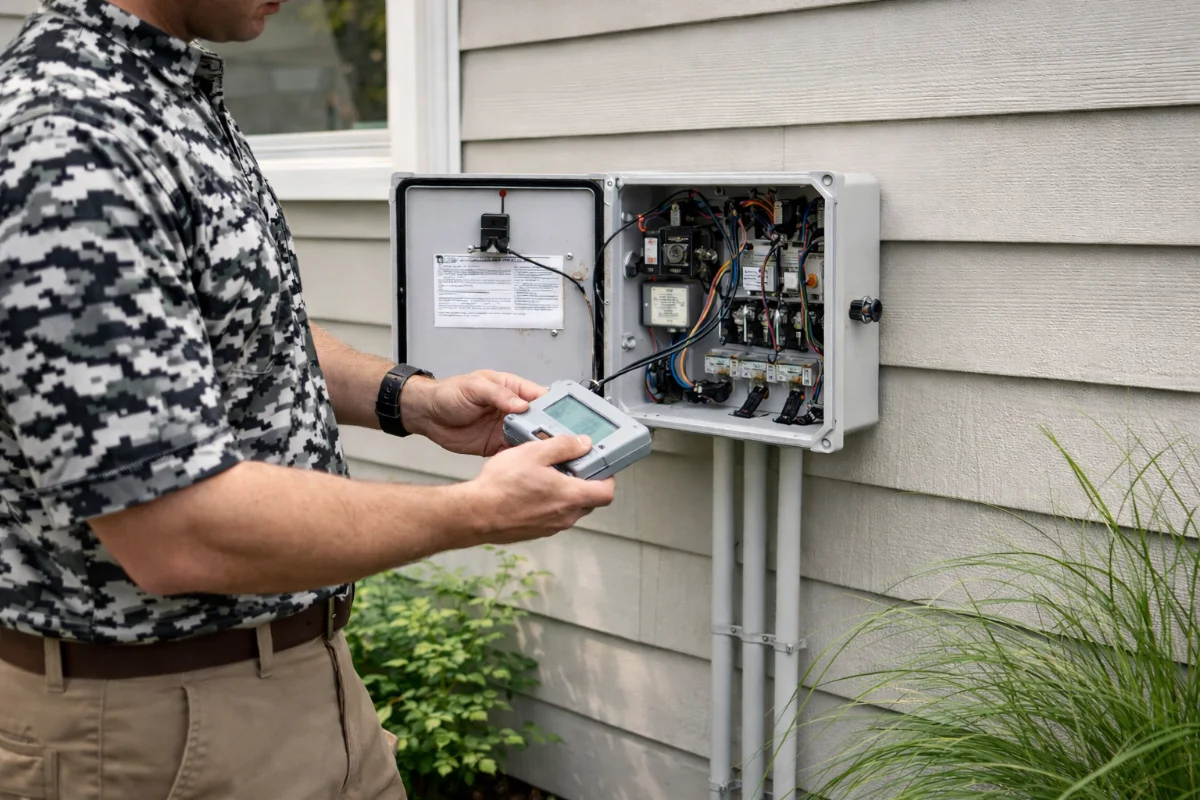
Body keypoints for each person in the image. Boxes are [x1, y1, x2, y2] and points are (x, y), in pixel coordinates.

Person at [0, 0, 616, 798]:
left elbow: (238, 332)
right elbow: (174, 530)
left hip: (301, 684)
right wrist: (474, 513)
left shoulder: (164, 89)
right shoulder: (68, 139)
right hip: (153, 726)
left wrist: (413, 401)